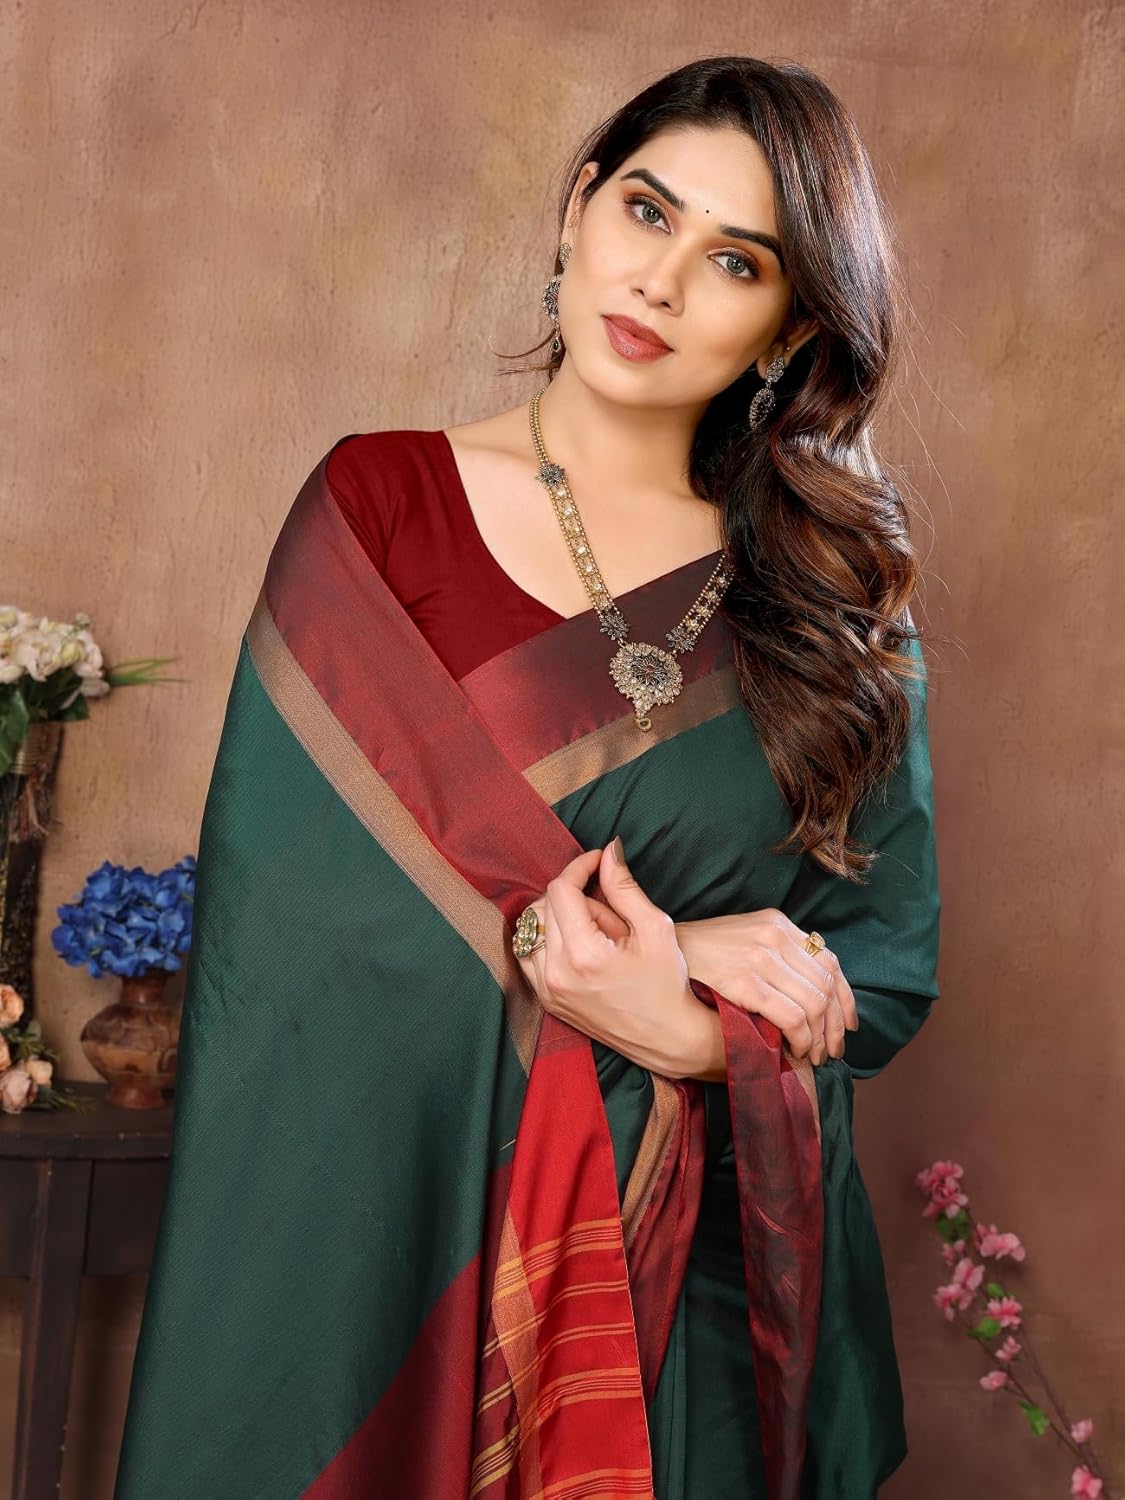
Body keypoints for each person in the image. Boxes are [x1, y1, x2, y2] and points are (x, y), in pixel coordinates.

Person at [114, 54, 941, 1500]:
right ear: (577, 207)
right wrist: (670, 955)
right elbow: (292, 932)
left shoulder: (834, 600)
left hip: (684, 1289)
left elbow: (879, 962)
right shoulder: (380, 509)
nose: (659, 282)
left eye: (733, 260)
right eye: (645, 211)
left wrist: (697, 1041)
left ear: (788, 325)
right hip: (403, 1259)